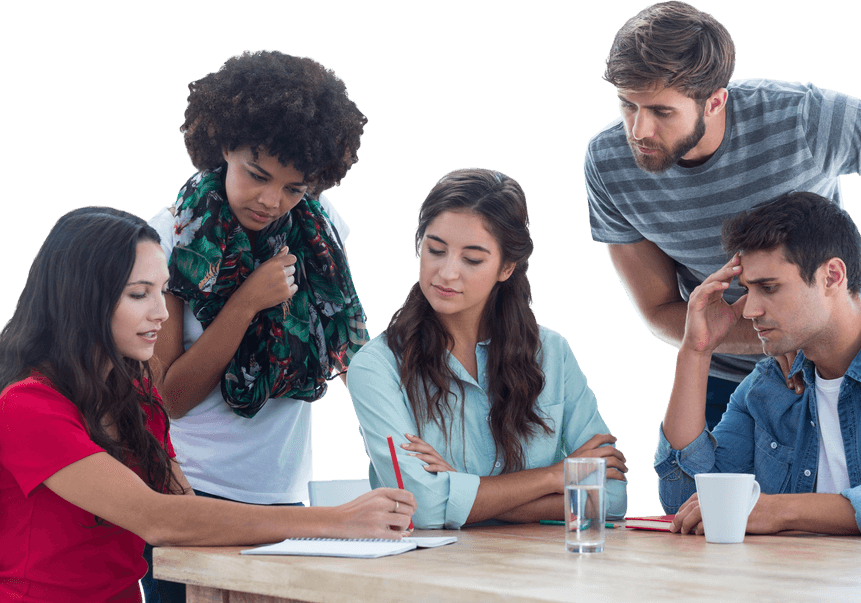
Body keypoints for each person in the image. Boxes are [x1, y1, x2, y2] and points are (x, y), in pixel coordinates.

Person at [585, 1, 861, 428]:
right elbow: (660, 309)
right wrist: (769, 337)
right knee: (694, 493)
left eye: (661, 111)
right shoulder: (607, 163)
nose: (638, 130)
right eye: (627, 105)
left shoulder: (802, 118)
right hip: (730, 382)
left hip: (846, 364)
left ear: (715, 102)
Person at [0, 207, 415, 603]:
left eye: (163, 290)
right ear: (82, 298)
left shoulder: (135, 397)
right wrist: (337, 522)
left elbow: (184, 508)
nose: (162, 313)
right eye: (140, 294)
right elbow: (158, 519)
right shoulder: (26, 407)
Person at [145, 49, 369, 600]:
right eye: (258, 175)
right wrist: (246, 302)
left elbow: (344, 353)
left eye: (295, 188)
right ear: (222, 144)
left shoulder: (319, 231)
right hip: (192, 497)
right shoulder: (168, 237)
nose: (272, 201)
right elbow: (168, 397)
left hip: (286, 498)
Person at [655, 192, 861, 538]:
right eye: (747, 290)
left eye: (768, 288)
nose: (749, 310)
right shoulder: (767, 387)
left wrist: (782, 511)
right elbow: (685, 502)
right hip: (803, 587)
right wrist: (696, 351)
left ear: (832, 276)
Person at [349, 169, 628, 529]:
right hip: (428, 575)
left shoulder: (553, 353)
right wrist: (552, 477)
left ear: (506, 266)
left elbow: (614, 497)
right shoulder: (377, 366)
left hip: (543, 577)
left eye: (472, 259)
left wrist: (463, 491)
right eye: (435, 250)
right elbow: (423, 509)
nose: (447, 273)